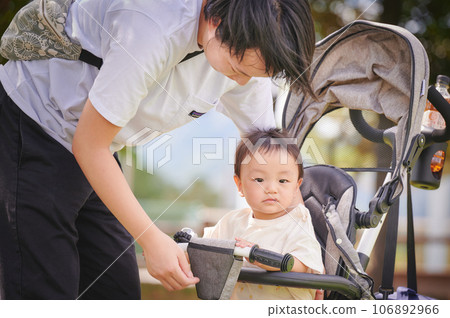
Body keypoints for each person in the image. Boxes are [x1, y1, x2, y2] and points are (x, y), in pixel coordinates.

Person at [0, 0, 315, 299]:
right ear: (216, 22)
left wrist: (310, 261)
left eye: (256, 75)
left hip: (95, 148)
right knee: (45, 288)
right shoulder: (152, 26)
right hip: (35, 123)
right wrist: (151, 239)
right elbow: (89, 144)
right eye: (239, 70)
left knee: (117, 292)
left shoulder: (247, 55)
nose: (245, 83)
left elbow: (275, 162)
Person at [203, 128, 324, 300]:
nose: (271, 189)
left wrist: (260, 257)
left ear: (296, 187)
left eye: (283, 181)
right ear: (239, 185)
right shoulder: (232, 222)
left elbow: (302, 265)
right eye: (259, 180)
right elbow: (206, 247)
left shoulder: (298, 220)